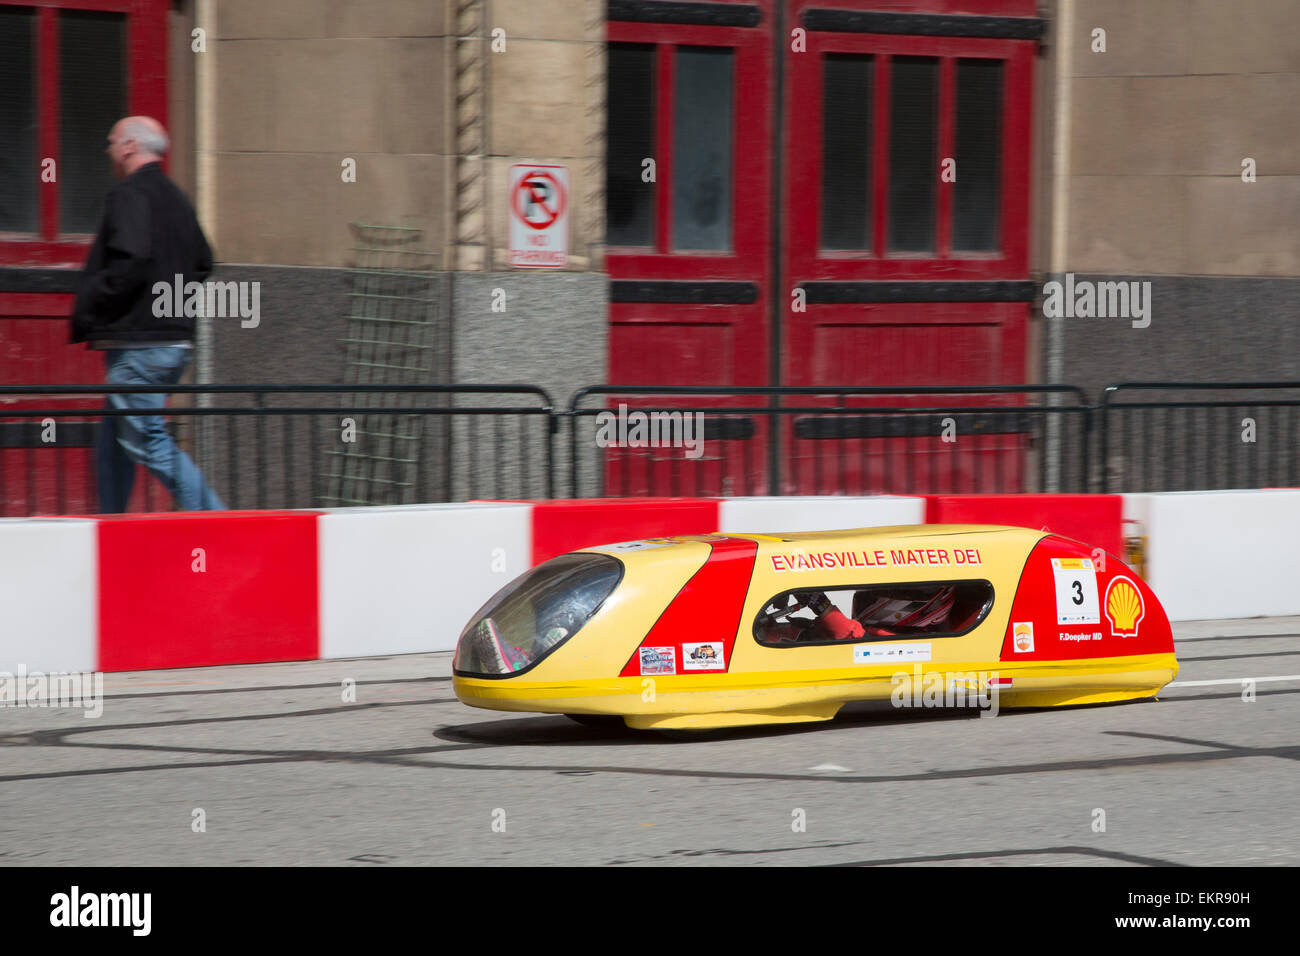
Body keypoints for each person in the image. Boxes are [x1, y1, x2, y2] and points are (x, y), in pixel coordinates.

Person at [71, 116, 225, 512]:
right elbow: (204, 262)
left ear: (128, 147)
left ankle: (219, 522)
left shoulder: (129, 195)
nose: (107, 150)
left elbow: (132, 261)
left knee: (147, 438)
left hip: (139, 343)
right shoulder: (177, 199)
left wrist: (93, 300)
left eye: (111, 142)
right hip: (173, 342)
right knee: (114, 444)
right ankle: (110, 529)